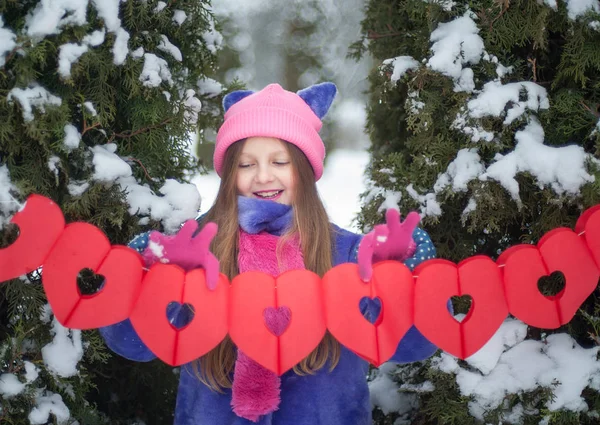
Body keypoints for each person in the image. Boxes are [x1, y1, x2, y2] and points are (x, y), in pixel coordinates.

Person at [100, 82, 439, 425]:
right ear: (229, 174)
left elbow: (409, 347)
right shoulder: (199, 249)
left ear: (305, 171)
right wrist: (153, 273)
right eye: (246, 165)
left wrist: (403, 273)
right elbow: (133, 344)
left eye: (280, 161)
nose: (263, 176)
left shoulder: (348, 254)